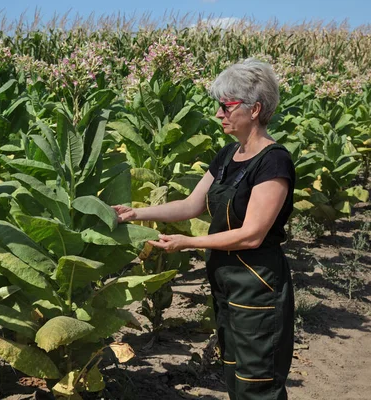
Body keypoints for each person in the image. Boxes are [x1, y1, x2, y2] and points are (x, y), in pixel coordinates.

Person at [113, 58, 295, 400]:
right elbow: (191, 205)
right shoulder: (227, 155)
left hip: (257, 283)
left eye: (226, 106)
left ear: (254, 109)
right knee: (234, 373)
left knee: (259, 383)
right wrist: (135, 212)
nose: (218, 115)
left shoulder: (274, 161)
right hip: (225, 280)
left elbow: (253, 233)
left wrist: (189, 242)